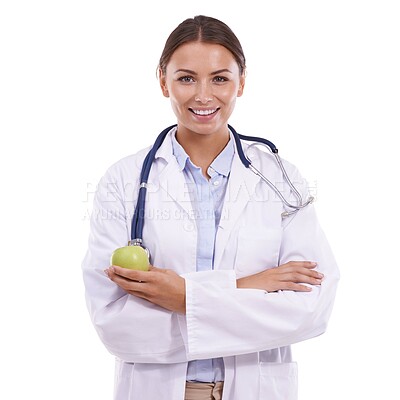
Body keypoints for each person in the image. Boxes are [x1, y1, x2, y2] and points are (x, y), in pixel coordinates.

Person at [82, 15, 339, 400]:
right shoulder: (123, 181)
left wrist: (182, 296)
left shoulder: (281, 179)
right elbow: (114, 323)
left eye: (220, 78)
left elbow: (310, 310)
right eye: (186, 78)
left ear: (242, 81)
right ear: (163, 80)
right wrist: (245, 287)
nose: (204, 95)